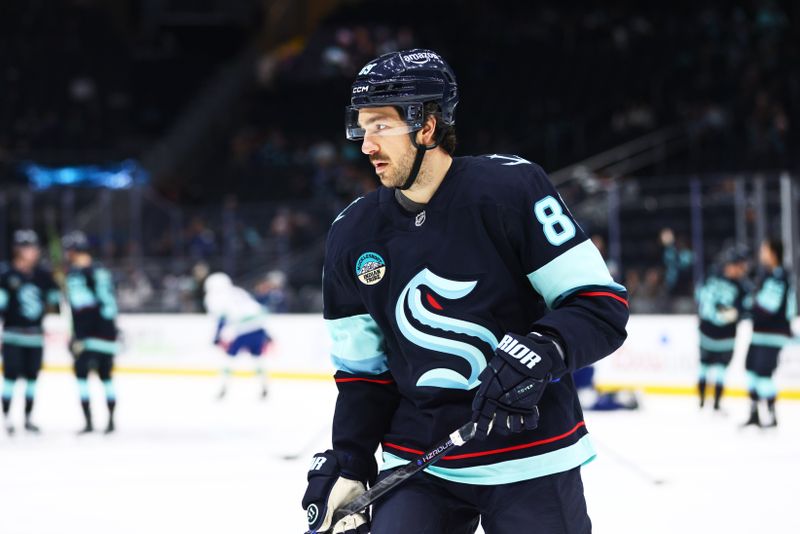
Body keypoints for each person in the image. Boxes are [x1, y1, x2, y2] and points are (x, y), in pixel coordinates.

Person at [302, 49, 629, 534]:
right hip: (420, 461)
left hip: (530, 455)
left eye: (381, 126)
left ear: (427, 127)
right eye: (362, 127)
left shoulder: (512, 190)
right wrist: (349, 460)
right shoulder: (353, 233)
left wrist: (545, 348)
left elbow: (600, 306)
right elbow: (362, 374)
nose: (366, 145)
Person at [0, 230, 61, 435]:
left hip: (35, 336)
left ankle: (27, 418)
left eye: (35, 247)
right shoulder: (6, 275)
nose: (34, 251)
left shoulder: (43, 275)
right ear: (18, 250)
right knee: (10, 377)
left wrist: (58, 283)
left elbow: (55, 304)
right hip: (13, 335)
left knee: (32, 378)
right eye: (29, 247)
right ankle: (7, 419)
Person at [62, 231, 120, 434]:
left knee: (82, 376)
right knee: (106, 377)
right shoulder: (101, 271)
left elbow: (80, 307)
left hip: (90, 335)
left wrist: (79, 336)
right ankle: (111, 422)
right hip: (108, 333)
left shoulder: (78, 275)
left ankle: (89, 422)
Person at [742, 238, 796, 428]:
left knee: (764, 374)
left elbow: (768, 307)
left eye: (764, 249)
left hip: (773, 334)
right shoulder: (767, 275)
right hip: (760, 333)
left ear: (773, 253)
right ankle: (754, 414)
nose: (761, 253)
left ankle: (772, 417)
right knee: (750, 371)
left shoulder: (779, 277)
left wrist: (748, 307)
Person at [695, 245, 752, 412]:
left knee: (710, 367)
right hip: (722, 335)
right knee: (712, 367)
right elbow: (745, 310)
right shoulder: (742, 286)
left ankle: (707, 403)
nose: (743, 269)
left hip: (709, 331)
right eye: (740, 265)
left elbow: (699, 296)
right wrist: (735, 313)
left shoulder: (711, 276)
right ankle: (709, 403)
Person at [203, 272, 271, 399]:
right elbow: (257, 309)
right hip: (258, 328)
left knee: (229, 360)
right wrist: (267, 334)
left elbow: (222, 318)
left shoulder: (214, 297)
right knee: (258, 359)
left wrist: (217, 337)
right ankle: (264, 386)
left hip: (240, 330)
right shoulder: (238, 291)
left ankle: (223, 387)